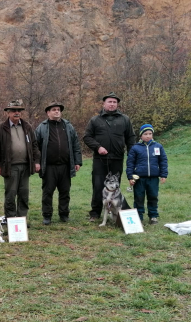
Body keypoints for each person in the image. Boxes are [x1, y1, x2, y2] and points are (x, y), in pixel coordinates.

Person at [83, 92, 136, 222]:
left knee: (115, 187)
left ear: (117, 104)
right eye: (109, 102)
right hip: (100, 160)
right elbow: (87, 137)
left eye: (114, 102)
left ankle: (115, 212)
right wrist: (98, 147)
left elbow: (131, 138)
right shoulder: (95, 120)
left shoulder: (125, 119)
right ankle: (95, 213)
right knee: (98, 186)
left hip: (117, 159)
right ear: (104, 104)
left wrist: (132, 155)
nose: (112, 104)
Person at [0, 99, 40, 223]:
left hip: (26, 166)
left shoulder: (27, 126)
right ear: (8, 112)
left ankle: (22, 219)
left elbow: (34, 145)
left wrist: (36, 161)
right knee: (11, 194)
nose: (16, 113)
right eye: (13, 111)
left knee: (24, 194)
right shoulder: (0, 128)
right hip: (9, 167)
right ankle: (11, 219)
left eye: (19, 110)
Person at [35, 102, 82, 225]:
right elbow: (35, 147)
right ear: (48, 112)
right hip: (49, 166)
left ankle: (64, 214)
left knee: (65, 192)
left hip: (65, 166)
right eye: (54, 110)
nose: (57, 111)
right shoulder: (42, 127)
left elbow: (75, 144)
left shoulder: (68, 126)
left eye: (58, 110)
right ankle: (47, 215)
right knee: (47, 193)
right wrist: (37, 162)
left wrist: (77, 161)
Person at [126, 124, 168, 224]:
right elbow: (130, 163)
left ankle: (153, 216)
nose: (148, 136)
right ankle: (138, 216)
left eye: (150, 134)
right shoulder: (135, 148)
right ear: (141, 135)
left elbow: (163, 161)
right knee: (139, 197)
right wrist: (130, 176)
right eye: (145, 134)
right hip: (139, 178)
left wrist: (163, 174)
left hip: (153, 178)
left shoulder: (158, 146)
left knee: (153, 196)